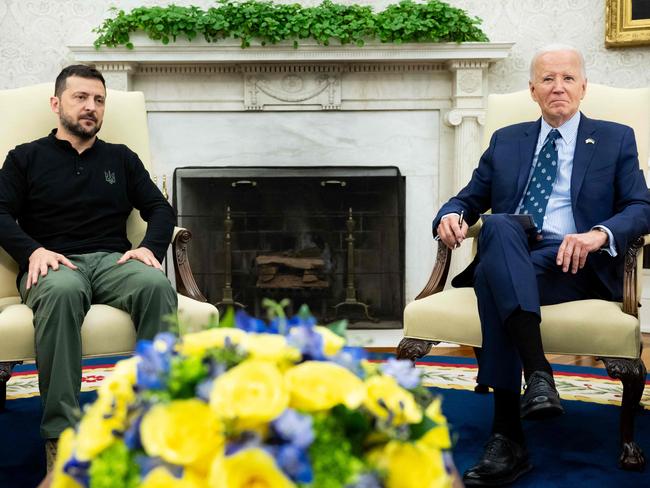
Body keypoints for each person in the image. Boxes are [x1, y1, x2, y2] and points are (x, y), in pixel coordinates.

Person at [433, 45, 650, 485]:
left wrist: (597, 235)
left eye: (568, 78)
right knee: (498, 229)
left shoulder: (614, 137)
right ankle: (539, 373)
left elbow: (641, 207)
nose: (558, 88)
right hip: (517, 254)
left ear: (583, 87)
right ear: (532, 90)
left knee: (496, 266)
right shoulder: (507, 140)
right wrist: (450, 216)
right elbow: (469, 198)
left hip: (577, 265)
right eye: (548, 79)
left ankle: (506, 434)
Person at [0, 65, 177, 466]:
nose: (91, 107)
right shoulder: (25, 158)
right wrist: (32, 251)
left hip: (112, 261)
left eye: (99, 100)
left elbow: (159, 208)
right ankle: (61, 435)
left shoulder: (120, 158)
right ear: (56, 103)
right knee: (62, 293)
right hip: (51, 264)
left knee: (155, 285)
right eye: (81, 97)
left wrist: (149, 248)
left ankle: (153, 421)